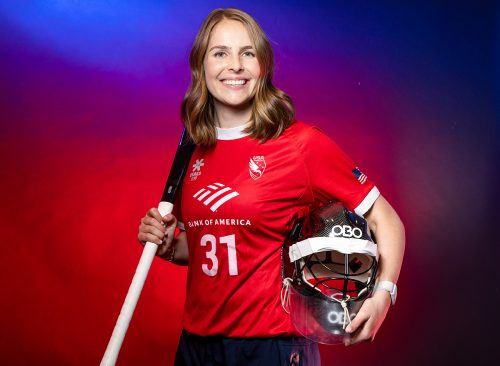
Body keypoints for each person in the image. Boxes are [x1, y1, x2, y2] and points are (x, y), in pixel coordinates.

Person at [138, 7, 405, 366]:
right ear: (201, 67)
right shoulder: (193, 150)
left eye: (247, 53)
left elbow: (387, 221)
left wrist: (384, 294)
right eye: (220, 53)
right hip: (197, 346)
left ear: (262, 66)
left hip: (272, 348)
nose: (235, 65)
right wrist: (170, 244)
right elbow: (217, 247)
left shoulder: (301, 145)